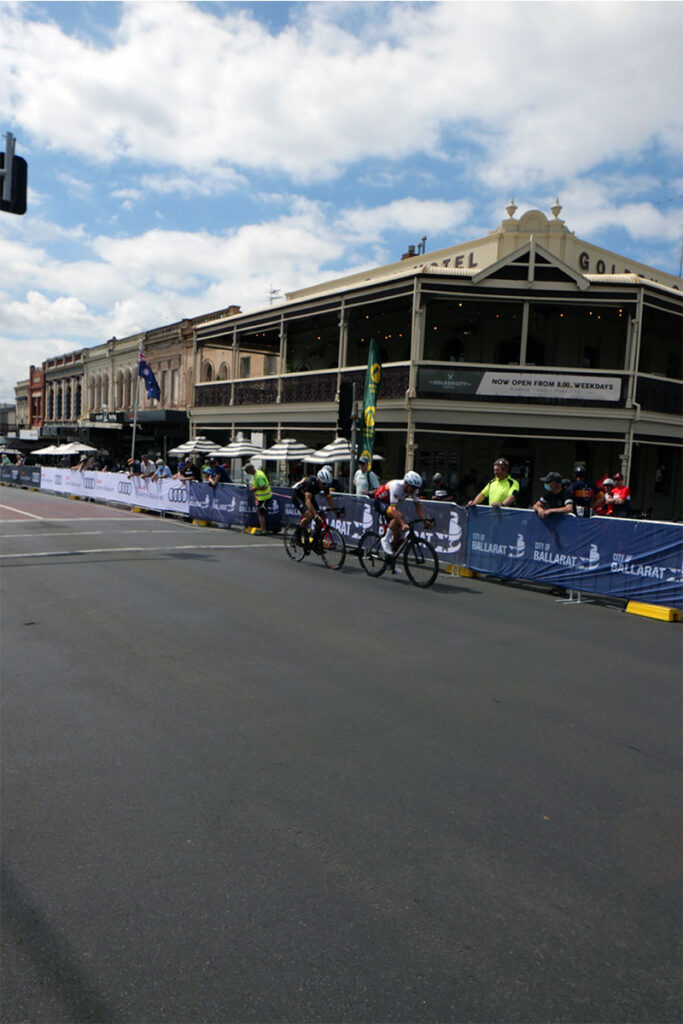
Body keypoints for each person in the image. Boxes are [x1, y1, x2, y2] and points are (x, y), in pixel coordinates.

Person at [373, 470, 428, 556]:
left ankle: (390, 558)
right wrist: (403, 524)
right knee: (400, 516)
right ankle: (385, 539)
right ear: (406, 484)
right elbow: (393, 510)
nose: (414, 490)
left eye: (416, 488)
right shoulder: (396, 487)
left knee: (398, 535)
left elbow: (418, 507)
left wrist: (425, 521)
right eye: (413, 488)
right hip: (380, 501)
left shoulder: (414, 490)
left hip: (390, 504)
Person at [292, 467, 339, 540]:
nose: (325, 486)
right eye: (324, 484)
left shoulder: (324, 484)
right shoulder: (310, 482)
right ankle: (297, 533)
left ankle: (314, 539)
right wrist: (315, 514)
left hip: (310, 496)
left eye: (327, 484)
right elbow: (307, 501)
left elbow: (329, 500)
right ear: (319, 480)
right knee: (310, 515)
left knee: (320, 517)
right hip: (298, 496)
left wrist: (336, 511)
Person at [243, 462, 272, 535]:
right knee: (261, 513)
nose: (246, 472)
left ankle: (263, 530)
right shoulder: (257, 473)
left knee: (261, 514)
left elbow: (263, 486)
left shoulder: (258, 476)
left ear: (250, 470)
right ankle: (262, 529)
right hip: (262, 497)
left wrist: (255, 489)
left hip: (264, 497)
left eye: (247, 471)